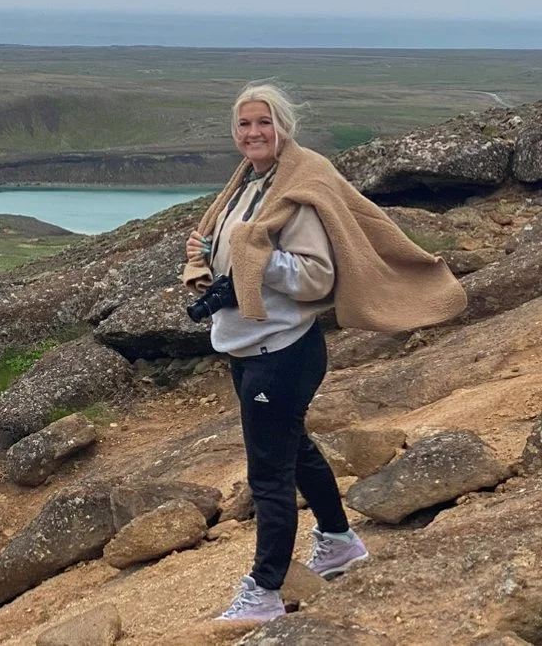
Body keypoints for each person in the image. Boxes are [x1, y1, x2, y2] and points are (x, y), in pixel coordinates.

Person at [181, 82, 466, 622]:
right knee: (295, 446)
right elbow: (243, 248)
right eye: (244, 124)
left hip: (281, 350)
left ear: (283, 126)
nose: (253, 133)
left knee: (269, 474)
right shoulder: (248, 182)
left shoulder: (299, 189)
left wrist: (256, 259)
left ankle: (264, 592)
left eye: (263, 122)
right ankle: (339, 541)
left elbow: (315, 277)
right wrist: (210, 251)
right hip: (248, 347)